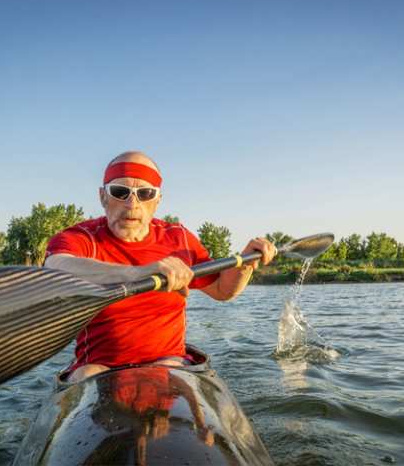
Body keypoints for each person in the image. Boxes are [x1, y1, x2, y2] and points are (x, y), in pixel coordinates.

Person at [44, 151, 276, 382]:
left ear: (157, 201)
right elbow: (55, 267)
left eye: (145, 194)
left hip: (168, 360)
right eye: (120, 192)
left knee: (168, 370)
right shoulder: (81, 238)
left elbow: (222, 290)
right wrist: (139, 272)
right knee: (89, 374)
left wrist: (246, 262)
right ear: (103, 197)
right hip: (98, 366)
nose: (132, 204)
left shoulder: (179, 239)